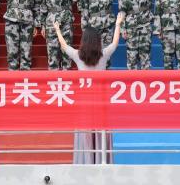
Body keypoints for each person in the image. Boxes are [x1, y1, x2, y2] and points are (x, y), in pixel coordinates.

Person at [52, 12, 125, 164]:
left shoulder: (78, 55)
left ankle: (85, 161)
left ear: (83, 41)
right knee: (101, 132)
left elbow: (64, 46)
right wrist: (117, 24)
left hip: (84, 102)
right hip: (101, 102)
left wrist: (57, 30)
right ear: (98, 41)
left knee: (85, 133)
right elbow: (114, 43)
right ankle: (102, 160)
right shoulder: (103, 55)